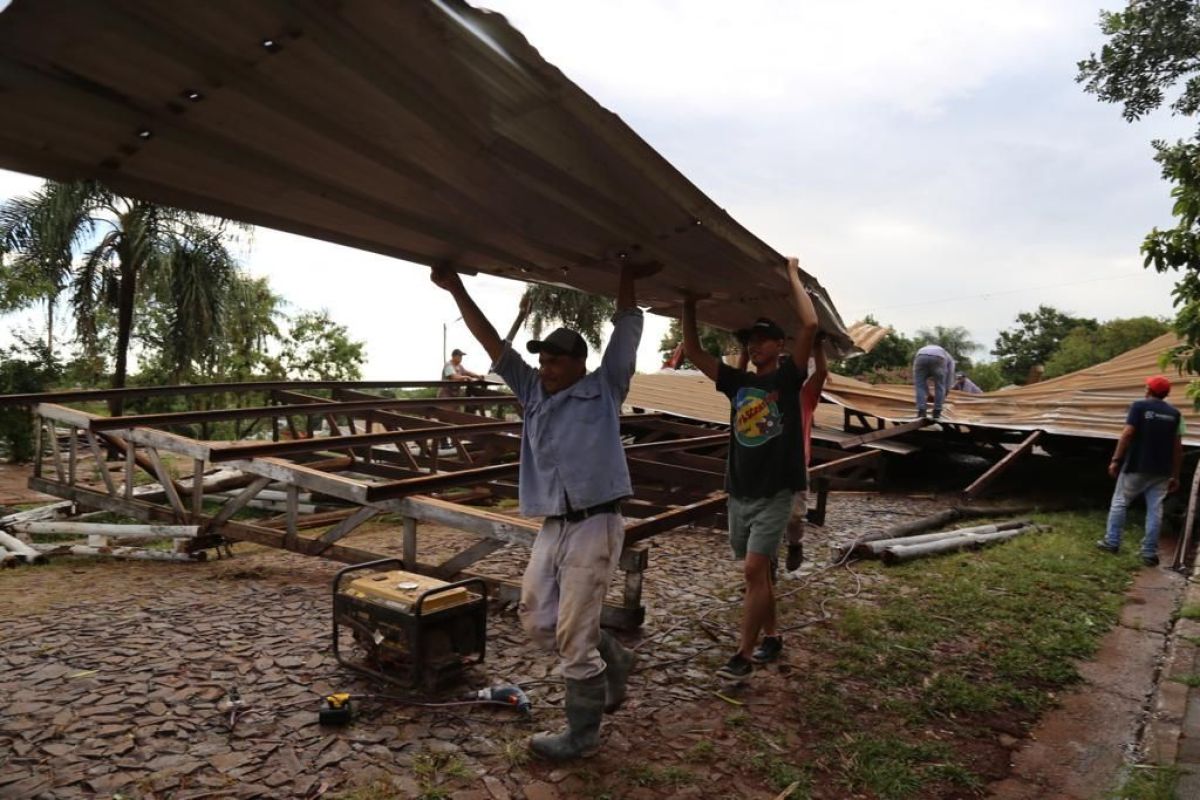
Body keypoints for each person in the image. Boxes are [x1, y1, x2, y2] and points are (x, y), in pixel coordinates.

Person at [430, 261, 646, 760]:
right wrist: (456, 287)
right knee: (536, 617)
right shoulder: (532, 394)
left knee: (572, 634)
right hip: (555, 521)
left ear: (578, 364)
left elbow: (627, 327)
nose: (545, 368)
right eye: (542, 359)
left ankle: (582, 736)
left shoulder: (604, 389)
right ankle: (614, 657)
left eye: (554, 361)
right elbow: (493, 346)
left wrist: (626, 266)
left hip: (597, 522)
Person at [680, 257, 818, 680]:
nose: (755, 346)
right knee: (759, 575)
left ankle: (743, 654)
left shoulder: (788, 378)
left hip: (776, 490)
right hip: (740, 491)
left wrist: (792, 275)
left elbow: (810, 327)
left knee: (754, 570)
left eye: (762, 340)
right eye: (751, 341)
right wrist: (688, 304)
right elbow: (696, 350)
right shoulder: (738, 384)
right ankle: (772, 636)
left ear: (779, 345)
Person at [1097, 375, 1185, 567]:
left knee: (1120, 502)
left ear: (1148, 390)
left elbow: (1127, 433)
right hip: (1162, 471)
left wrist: (1116, 459)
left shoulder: (1138, 407)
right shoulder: (1175, 414)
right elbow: (1178, 448)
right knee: (1155, 509)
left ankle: (1112, 542)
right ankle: (1149, 553)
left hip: (1137, 465)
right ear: (1166, 393)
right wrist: (1175, 475)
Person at [912, 344, 955, 419]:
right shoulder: (950, 359)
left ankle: (921, 411)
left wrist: (928, 394)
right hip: (939, 358)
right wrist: (946, 392)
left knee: (919, 385)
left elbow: (919, 382)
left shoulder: (924, 349)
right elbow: (949, 378)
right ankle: (937, 412)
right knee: (939, 386)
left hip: (920, 356)